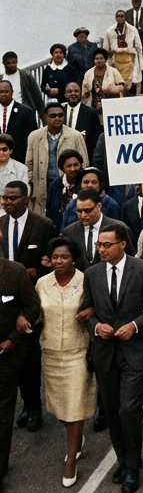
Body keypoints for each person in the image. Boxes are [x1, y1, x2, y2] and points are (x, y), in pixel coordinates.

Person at [80, 220, 143, 493]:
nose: (101, 249)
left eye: (106, 245)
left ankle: (133, 467)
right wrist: (95, 327)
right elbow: (86, 310)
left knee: (129, 409)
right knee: (112, 411)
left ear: (122, 244)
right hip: (105, 353)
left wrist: (135, 325)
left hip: (134, 351)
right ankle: (123, 460)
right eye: (98, 245)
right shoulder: (92, 274)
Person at [32, 235, 95, 486]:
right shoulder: (42, 283)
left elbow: (99, 305)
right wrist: (25, 320)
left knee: (74, 406)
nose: (59, 261)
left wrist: (91, 311)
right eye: (55, 257)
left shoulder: (86, 280)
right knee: (60, 409)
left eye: (64, 257)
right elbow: (37, 313)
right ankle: (76, 438)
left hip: (77, 352)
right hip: (50, 353)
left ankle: (71, 459)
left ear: (73, 259)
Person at [1, 179, 56, 430]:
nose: (6, 202)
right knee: (11, 357)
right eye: (4, 198)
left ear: (25, 199)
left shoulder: (43, 225)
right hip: (5, 302)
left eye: (12, 198)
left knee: (30, 358)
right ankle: (21, 405)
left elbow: (54, 260)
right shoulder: (0, 224)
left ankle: (34, 407)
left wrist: (37, 270)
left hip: (32, 300)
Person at [0, 253, 41, 490]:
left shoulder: (15, 272)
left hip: (6, 356)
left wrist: (14, 339)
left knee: (3, 415)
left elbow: (32, 305)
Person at [25, 101, 88, 216]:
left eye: (60, 115)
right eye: (53, 116)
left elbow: (84, 164)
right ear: (45, 118)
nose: (57, 118)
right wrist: (30, 186)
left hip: (67, 184)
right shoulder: (34, 136)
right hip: (41, 184)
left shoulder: (75, 136)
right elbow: (29, 164)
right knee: (43, 219)